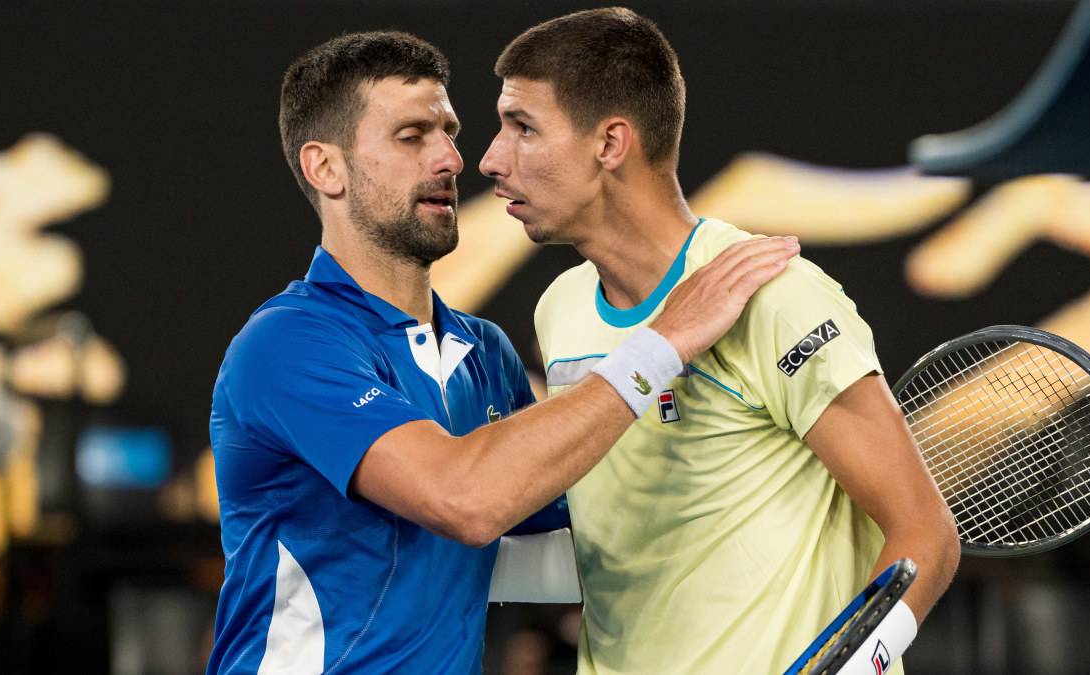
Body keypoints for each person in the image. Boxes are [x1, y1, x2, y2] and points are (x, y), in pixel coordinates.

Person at [206, 30, 798, 675]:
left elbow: (559, 544)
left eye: (448, 131)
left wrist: (771, 511)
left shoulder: (484, 352)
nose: (453, 159)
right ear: (327, 168)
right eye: (412, 137)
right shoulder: (286, 344)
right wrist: (664, 342)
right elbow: (466, 499)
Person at [479, 8, 962, 675]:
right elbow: (622, 544)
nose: (490, 159)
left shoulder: (777, 295)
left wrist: (856, 663)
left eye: (522, 128)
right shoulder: (557, 309)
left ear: (610, 143)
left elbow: (925, 533)